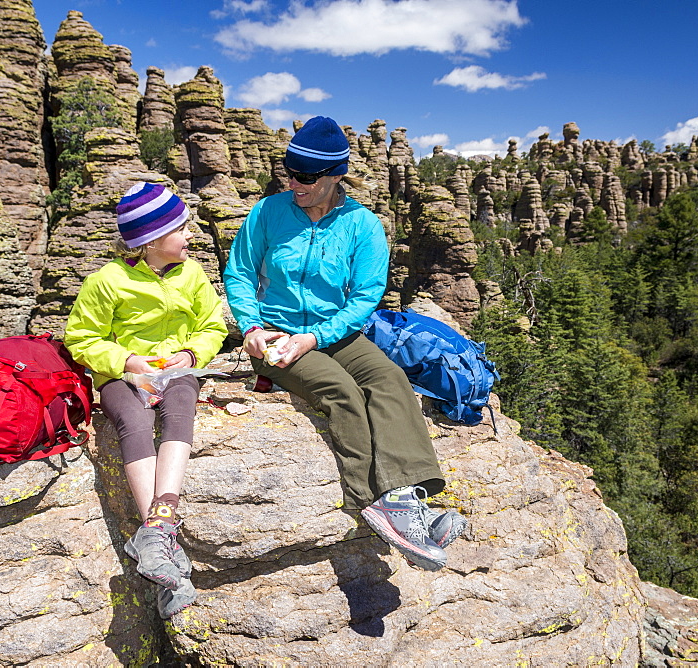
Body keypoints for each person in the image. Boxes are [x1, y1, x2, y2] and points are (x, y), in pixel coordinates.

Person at [223, 116, 466, 571]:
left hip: (338, 333)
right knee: (342, 393)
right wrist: (253, 329)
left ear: (336, 175)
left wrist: (315, 336)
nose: (294, 182)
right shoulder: (268, 212)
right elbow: (238, 272)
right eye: (290, 172)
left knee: (391, 379)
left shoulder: (363, 225)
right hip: (276, 335)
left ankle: (404, 498)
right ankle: (372, 500)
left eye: (307, 177)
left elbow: (365, 298)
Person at [64, 182, 227, 617]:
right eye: (182, 229)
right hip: (123, 374)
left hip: (177, 370)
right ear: (152, 241)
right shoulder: (107, 282)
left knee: (180, 411)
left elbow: (212, 325)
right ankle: (163, 551)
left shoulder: (192, 275)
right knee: (132, 423)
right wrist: (128, 360)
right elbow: (81, 338)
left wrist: (190, 354)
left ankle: (157, 529)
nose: (190, 236)